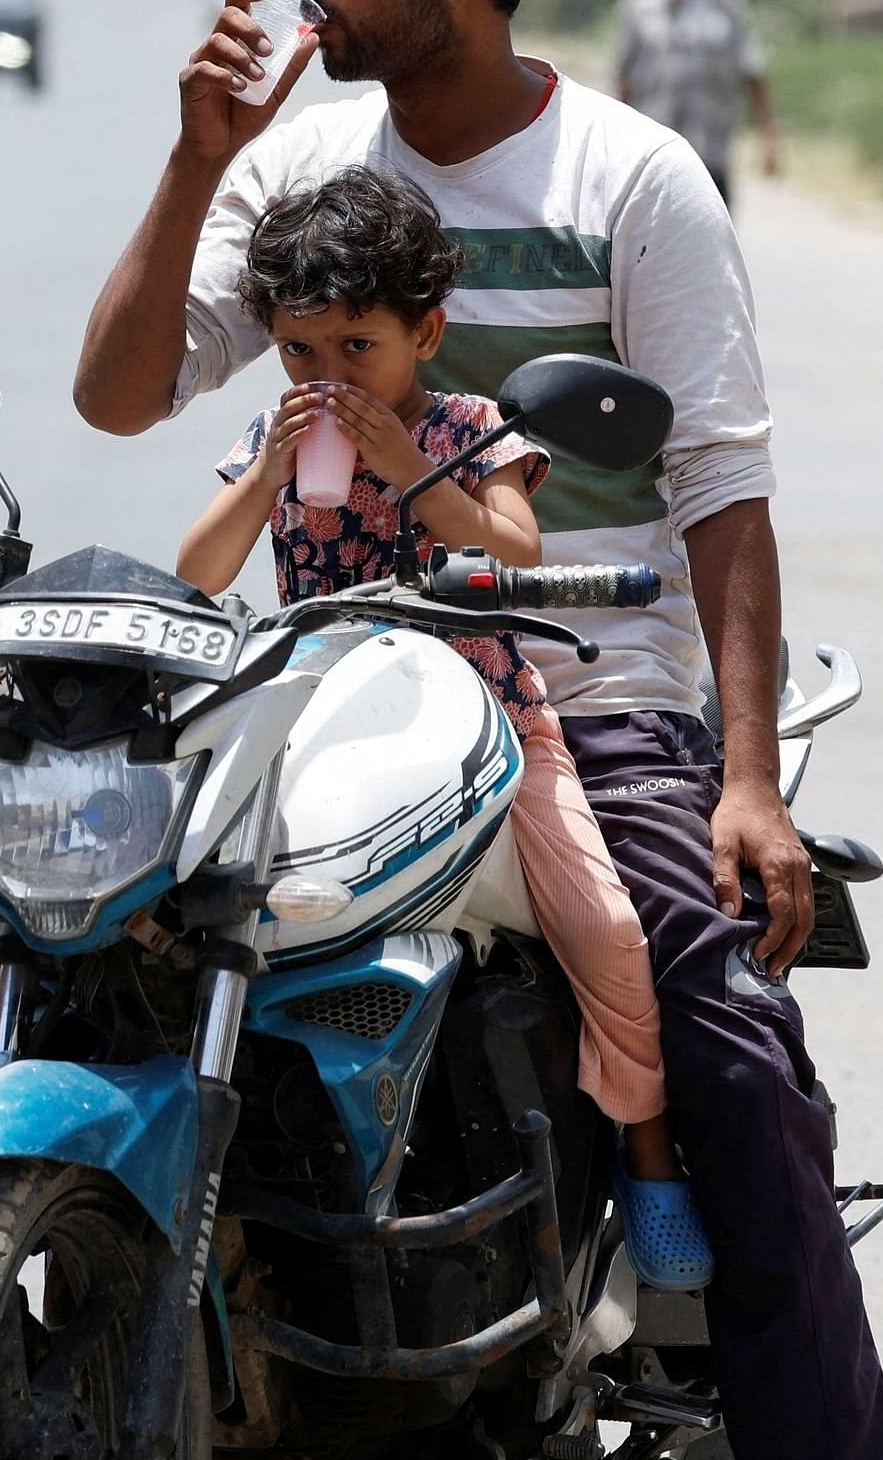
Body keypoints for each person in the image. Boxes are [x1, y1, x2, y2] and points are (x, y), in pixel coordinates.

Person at [75, 0, 883, 1459]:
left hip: (583, 689)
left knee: (731, 1040)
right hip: (321, 691)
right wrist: (191, 161)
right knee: (110, 948)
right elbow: (121, 393)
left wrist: (742, 777)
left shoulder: (634, 174)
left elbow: (723, 494)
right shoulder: (292, 172)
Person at [174, 163, 716, 1293]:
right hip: (319, 718)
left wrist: (409, 467)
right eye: (299, 354)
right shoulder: (271, 437)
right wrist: (271, 463)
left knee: (610, 929)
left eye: (356, 350)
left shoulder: (472, 429)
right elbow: (200, 567)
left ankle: (651, 1158)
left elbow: (512, 546)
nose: (327, 380)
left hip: (481, 713)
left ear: (424, 331)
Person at [612, 0, 781, 205]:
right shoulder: (641, 5)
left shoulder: (728, 3)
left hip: (711, 147)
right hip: (651, 147)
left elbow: (752, 69)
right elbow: (622, 74)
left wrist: (768, 137)